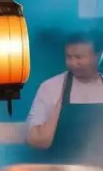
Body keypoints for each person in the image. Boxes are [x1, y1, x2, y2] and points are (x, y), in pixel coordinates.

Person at [25, 31, 103, 162]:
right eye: (69, 57)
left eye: (79, 57)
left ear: (98, 56)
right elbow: (34, 139)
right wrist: (59, 108)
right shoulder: (50, 87)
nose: (73, 63)